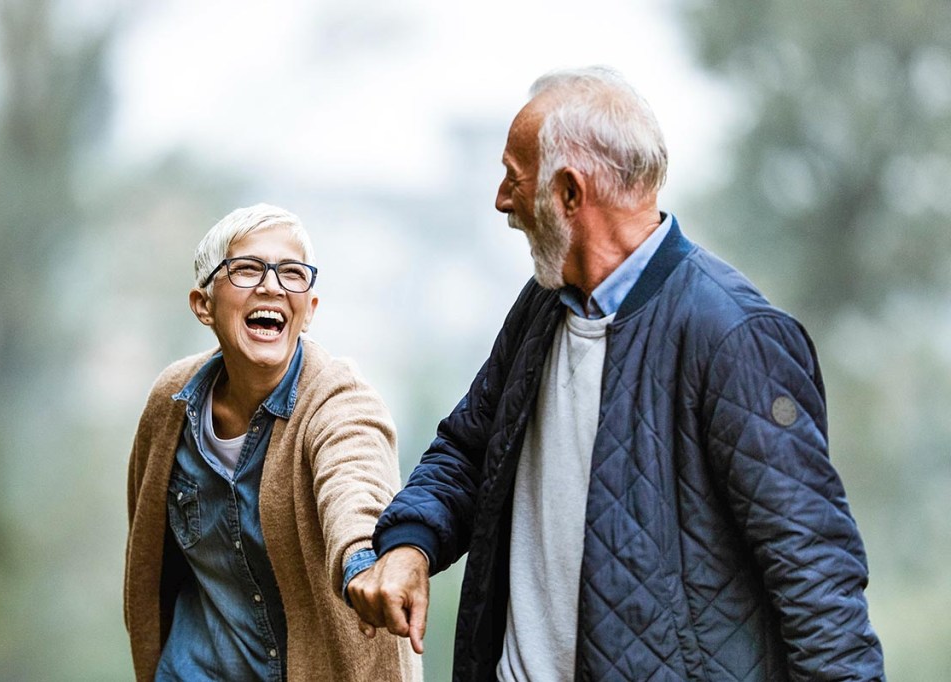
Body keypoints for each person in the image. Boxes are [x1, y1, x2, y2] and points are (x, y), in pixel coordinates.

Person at [347, 67, 885, 681]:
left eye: (514, 180)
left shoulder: (735, 336)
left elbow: (816, 577)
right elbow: (470, 452)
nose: (501, 200)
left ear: (570, 193)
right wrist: (410, 544)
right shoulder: (542, 305)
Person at [124, 204, 421, 681]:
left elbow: (356, 484)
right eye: (246, 269)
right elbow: (148, 553)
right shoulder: (170, 404)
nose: (271, 285)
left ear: (309, 312)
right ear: (203, 305)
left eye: (291, 273)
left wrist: (364, 561)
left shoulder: (341, 402)